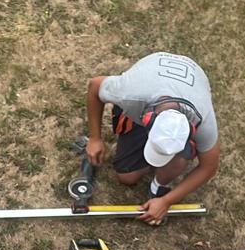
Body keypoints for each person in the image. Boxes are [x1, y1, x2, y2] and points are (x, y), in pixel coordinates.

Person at [85, 51, 220, 225]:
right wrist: (95, 138)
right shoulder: (130, 94)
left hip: (193, 79)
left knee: (180, 159)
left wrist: (166, 201)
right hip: (152, 77)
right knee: (127, 177)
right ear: (147, 120)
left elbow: (209, 167)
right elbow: (95, 86)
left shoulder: (203, 120)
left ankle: (158, 186)